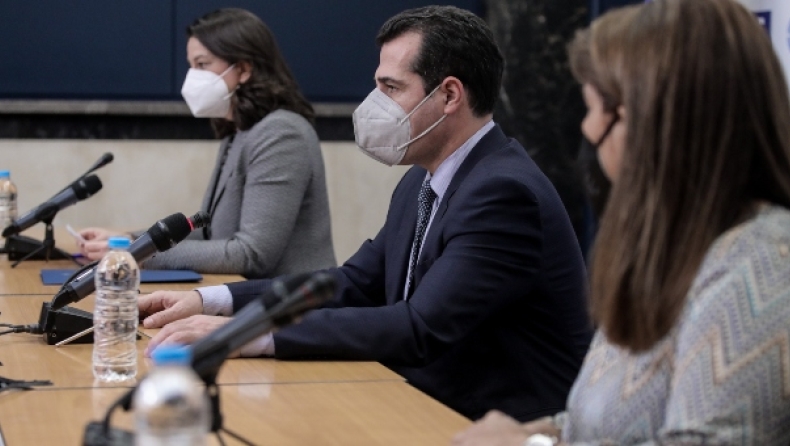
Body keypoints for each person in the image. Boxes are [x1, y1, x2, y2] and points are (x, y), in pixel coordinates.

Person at [138, 6, 592, 422]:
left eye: (391, 88)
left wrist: (240, 333)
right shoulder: (421, 179)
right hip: (419, 400)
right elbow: (354, 284)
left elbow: (419, 327)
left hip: (491, 423)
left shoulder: (503, 192)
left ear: (450, 94)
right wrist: (210, 301)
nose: (374, 103)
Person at [452, 0, 790, 444]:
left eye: (596, 109)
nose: (587, 130)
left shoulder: (763, 261)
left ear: (655, 123)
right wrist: (546, 432)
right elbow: (610, 419)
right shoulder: (671, 247)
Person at [78, 8, 336, 279]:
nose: (193, 77)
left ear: (244, 69)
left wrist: (137, 254)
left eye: (202, 65)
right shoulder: (239, 130)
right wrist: (130, 240)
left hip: (293, 301)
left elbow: (252, 254)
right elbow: (209, 232)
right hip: (248, 294)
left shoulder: (281, 134)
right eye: (191, 65)